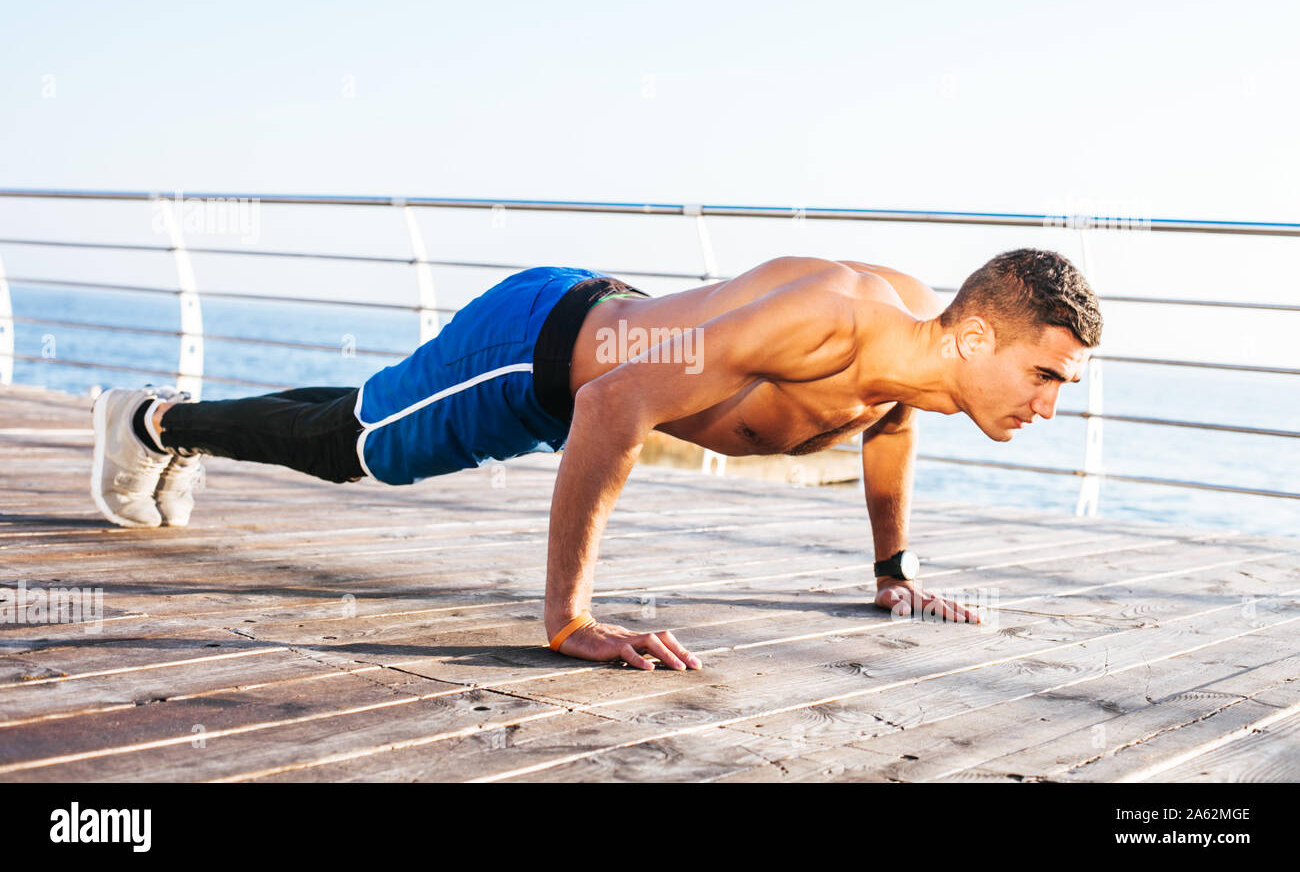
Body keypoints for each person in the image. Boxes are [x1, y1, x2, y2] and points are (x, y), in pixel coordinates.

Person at [90, 249, 1103, 671]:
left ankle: (170, 422)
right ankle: (150, 423)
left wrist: (893, 574)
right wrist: (568, 620)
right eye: (1045, 374)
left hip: (593, 336)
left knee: (366, 415)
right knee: (362, 450)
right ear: (976, 338)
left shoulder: (916, 355)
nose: (1049, 405)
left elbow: (892, 424)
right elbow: (612, 405)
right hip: (531, 353)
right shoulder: (829, 325)